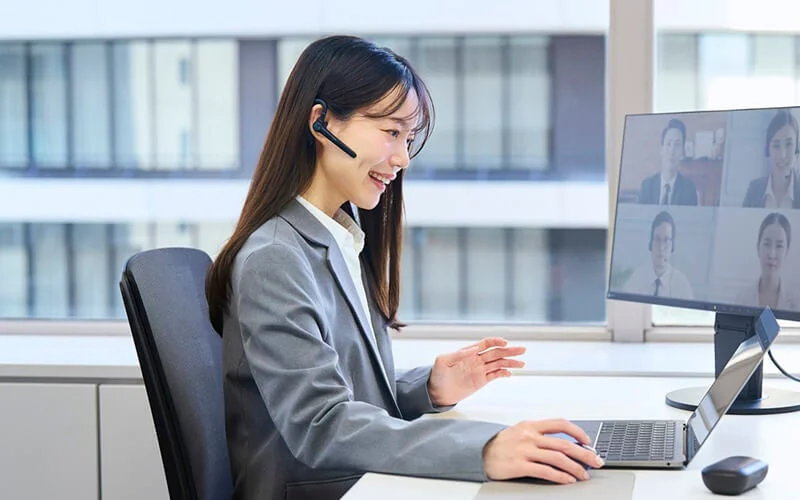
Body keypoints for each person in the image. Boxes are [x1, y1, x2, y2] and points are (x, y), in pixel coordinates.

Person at [204, 35, 603, 500]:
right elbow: (322, 422)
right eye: (391, 132)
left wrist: (428, 387)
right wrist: (485, 449)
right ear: (321, 123)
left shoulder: (338, 236)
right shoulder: (275, 258)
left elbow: (342, 389)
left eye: (408, 138)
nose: (403, 158)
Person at [734, 212, 799, 310]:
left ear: (787, 251)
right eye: (767, 244)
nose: (772, 254)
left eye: (779, 246)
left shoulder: (797, 300)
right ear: (758, 247)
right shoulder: (742, 298)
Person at [624, 211, 694, 299]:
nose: (661, 247)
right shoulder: (636, 280)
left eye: (666, 240)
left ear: (672, 246)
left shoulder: (682, 285)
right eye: (657, 239)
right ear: (651, 243)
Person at [742, 110, 800, 209]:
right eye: (776, 146)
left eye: (788, 144)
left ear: (796, 149)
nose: (782, 155)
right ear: (768, 150)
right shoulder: (753, 190)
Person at [638, 118, 699, 206]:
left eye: (677, 145)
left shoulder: (689, 190)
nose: (672, 150)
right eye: (668, 144)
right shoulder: (647, 186)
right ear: (661, 149)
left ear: (682, 151)